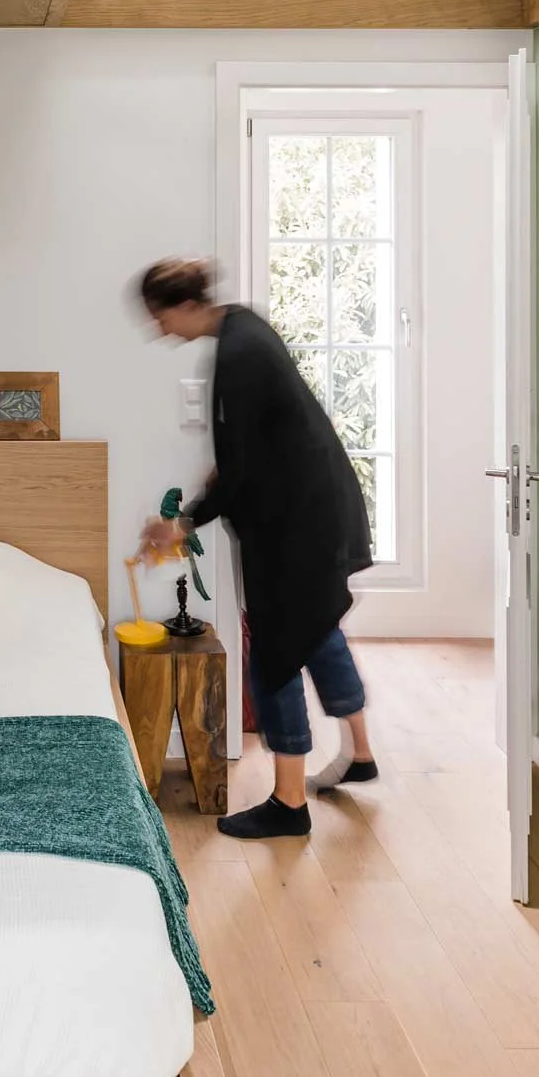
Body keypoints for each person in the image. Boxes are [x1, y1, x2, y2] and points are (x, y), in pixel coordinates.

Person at [135, 258, 378, 840]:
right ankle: (361, 754)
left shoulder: (239, 354)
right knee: (316, 630)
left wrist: (184, 522)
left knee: (273, 652)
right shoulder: (245, 328)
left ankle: (289, 804)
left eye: (161, 318)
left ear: (185, 306)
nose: (160, 331)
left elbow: (243, 470)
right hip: (313, 511)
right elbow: (259, 444)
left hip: (293, 525)